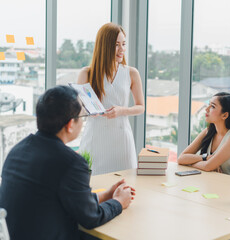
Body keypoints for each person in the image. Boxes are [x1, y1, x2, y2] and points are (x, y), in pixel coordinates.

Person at [0, 86, 135, 240]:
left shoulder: (18, 150)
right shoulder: (70, 162)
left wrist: (104, 195)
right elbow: (91, 218)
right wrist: (119, 202)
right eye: (82, 117)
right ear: (70, 125)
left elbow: (56, 199)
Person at [78, 22, 145, 175]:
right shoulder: (87, 73)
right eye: (116, 45)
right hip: (95, 138)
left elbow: (141, 107)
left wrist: (122, 110)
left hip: (121, 139)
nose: (122, 49)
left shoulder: (131, 73)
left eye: (123, 44)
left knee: (125, 183)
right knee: (93, 187)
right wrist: (89, 110)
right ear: (104, 46)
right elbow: (78, 109)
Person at [178, 92, 230, 175]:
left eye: (212, 106)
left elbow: (207, 166)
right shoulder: (208, 131)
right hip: (210, 182)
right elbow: (181, 159)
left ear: (224, 115)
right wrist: (205, 158)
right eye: (208, 105)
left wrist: (190, 163)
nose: (207, 109)